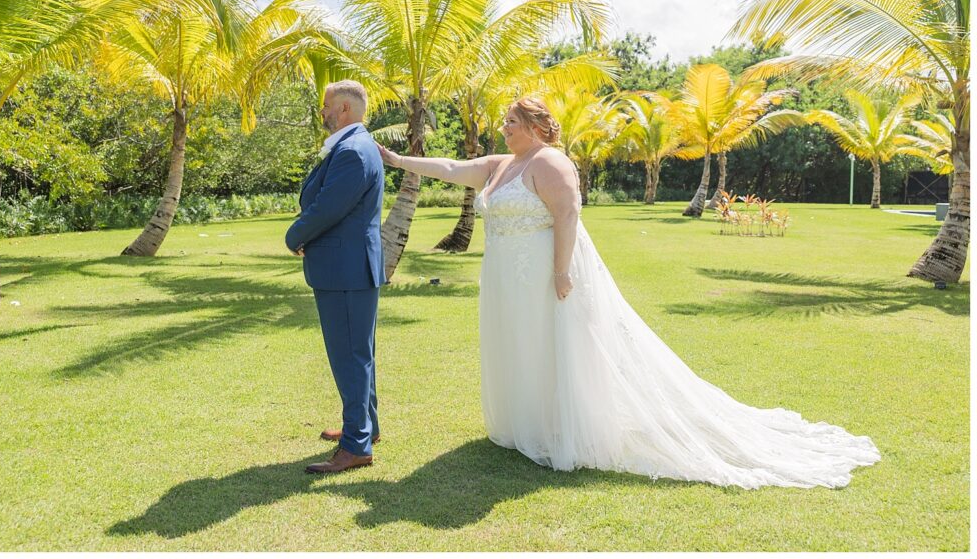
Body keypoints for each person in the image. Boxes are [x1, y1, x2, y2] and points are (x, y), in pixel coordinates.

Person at [376, 96, 880, 489]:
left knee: (552, 346)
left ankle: (559, 426)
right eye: (505, 122)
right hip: (504, 276)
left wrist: (559, 273)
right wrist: (398, 159)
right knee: (517, 346)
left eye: (511, 121)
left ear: (534, 126)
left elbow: (567, 217)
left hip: (540, 273)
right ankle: (525, 423)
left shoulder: (550, 163)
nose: (504, 128)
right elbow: (449, 169)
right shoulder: (501, 164)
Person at [286, 80, 385, 474]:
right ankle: (366, 426)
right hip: (348, 266)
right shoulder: (355, 146)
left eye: (325, 106)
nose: (322, 112)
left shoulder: (353, 152)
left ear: (343, 109)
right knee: (359, 354)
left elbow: (327, 208)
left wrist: (294, 236)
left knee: (350, 357)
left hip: (345, 269)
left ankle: (356, 445)